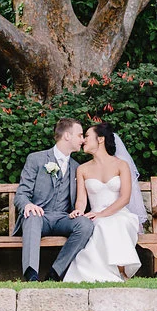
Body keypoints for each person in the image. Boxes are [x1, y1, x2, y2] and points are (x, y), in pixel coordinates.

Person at [13, 117, 94, 282]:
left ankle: (55, 273)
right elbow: (21, 193)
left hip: (63, 218)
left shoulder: (77, 167)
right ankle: (31, 275)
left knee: (85, 225)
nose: (83, 140)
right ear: (67, 136)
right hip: (39, 217)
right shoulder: (36, 159)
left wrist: (78, 212)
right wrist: (27, 205)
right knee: (32, 216)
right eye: (80, 135)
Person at [60, 121, 142, 283]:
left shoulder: (121, 165)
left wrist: (102, 214)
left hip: (120, 213)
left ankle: (120, 270)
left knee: (114, 222)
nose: (83, 140)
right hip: (95, 215)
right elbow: (81, 199)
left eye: (87, 136)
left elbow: (125, 198)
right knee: (99, 225)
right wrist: (79, 211)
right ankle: (112, 273)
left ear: (100, 139)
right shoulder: (82, 169)